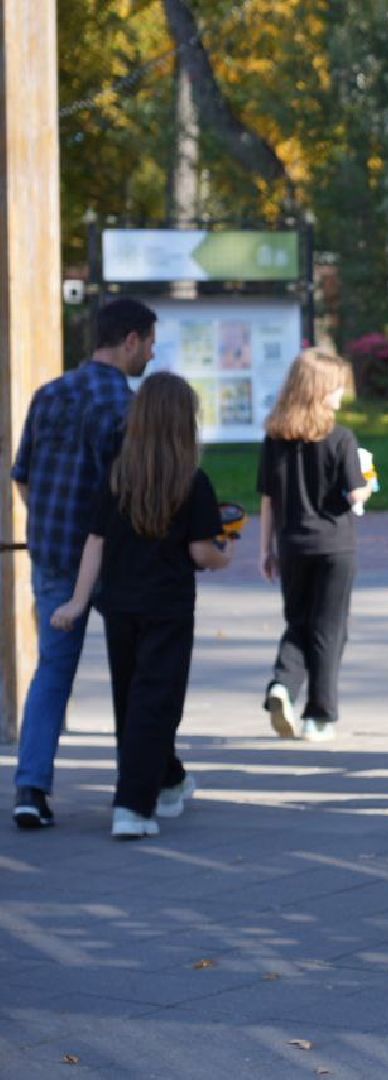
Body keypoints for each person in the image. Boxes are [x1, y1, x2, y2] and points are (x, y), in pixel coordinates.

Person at [48, 373, 233, 839]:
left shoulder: (119, 477)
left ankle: (169, 780)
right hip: (168, 607)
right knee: (157, 701)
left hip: (120, 606)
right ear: (182, 423)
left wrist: (78, 600)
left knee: (131, 699)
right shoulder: (193, 482)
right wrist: (225, 553)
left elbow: (96, 541)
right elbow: (201, 553)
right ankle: (132, 805)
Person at [11, 297, 156, 829]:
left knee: (52, 672)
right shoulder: (127, 406)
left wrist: (49, 521)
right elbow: (133, 490)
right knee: (137, 673)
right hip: (115, 559)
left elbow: (22, 475)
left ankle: (30, 789)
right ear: (131, 341)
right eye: (149, 343)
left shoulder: (47, 395)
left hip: (52, 554)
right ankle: (144, 785)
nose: (151, 354)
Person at [258, 348, 371, 742]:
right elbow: (356, 495)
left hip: (292, 545)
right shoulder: (341, 439)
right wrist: (368, 483)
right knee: (329, 630)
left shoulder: (276, 438)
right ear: (318, 390)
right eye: (337, 389)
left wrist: (265, 549)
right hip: (335, 546)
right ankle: (319, 715)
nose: (340, 396)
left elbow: (268, 498)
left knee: (298, 622)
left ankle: (281, 685)